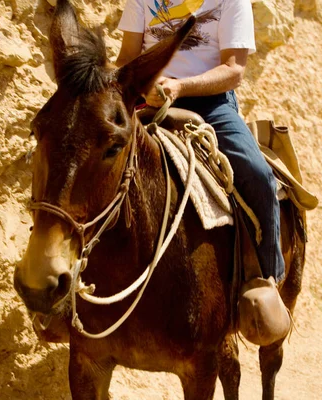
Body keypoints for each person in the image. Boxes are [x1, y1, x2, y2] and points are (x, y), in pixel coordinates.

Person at [116, 0, 290, 345]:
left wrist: (181, 86)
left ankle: (267, 277)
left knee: (256, 173)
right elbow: (126, 56)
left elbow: (234, 69)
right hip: (143, 97)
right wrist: (139, 83)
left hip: (210, 101)